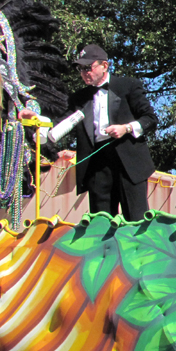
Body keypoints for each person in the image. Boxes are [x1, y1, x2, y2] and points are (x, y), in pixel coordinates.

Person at [47, 44, 157, 221]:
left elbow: (150, 119)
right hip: (97, 163)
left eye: (88, 67)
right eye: (80, 69)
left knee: (136, 220)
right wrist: (39, 122)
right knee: (101, 221)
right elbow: (60, 123)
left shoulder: (127, 85)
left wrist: (126, 128)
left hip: (128, 160)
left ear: (104, 66)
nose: (84, 73)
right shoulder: (78, 98)